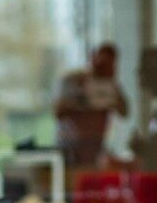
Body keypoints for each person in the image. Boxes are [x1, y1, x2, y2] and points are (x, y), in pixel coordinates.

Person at [54, 42, 128, 170]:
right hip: (70, 150)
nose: (103, 70)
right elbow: (58, 111)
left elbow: (125, 112)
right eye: (101, 64)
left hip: (95, 150)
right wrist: (82, 100)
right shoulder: (73, 80)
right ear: (93, 58)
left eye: (109, 66)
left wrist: (111, 92)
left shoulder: (110, 86)